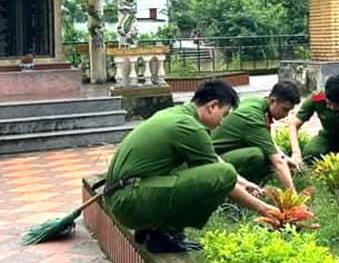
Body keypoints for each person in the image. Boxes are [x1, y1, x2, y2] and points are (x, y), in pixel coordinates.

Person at [105, 80, 278, 253]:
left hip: (121, 197)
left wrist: (244, 182)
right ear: (212, 106)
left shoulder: (175, 113)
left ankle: (154, 229)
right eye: (224, 115)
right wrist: (263, 208)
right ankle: (164, 232)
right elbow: (223, 178)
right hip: (130, 202)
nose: (222, 123)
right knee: (224, 174)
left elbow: (211, 158)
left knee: (208, 170)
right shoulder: (190, 128)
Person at [212, 80, 302, 189]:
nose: (286, 115)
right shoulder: (252, 117)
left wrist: (285, 157)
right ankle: (240, 190)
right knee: (258, 155)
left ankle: (253, 189)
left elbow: (268, 141)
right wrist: (294, 198)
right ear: (273, 101)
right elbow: (278, 162)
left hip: (229, 152)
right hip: (214, 159)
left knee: (278, 152)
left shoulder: (256, 102)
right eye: (285, 109)